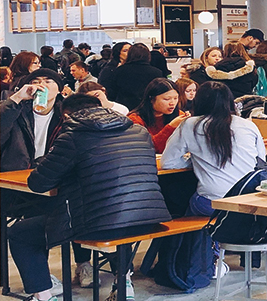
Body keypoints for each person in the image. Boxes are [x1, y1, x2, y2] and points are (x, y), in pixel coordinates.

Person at [10, 94, 169, 301]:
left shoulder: (73, 137)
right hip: (149, 218)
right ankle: (124, 282)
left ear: (67, 116)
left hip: (100, 222)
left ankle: (44, 296)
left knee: (20, 233)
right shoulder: (139, 132)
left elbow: (38, 183)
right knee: (117, 213)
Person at [161, 81, 266, 216]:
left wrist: (196, 160)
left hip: (212, 201)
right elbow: (260, 160)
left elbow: (168, 162)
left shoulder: (190, 125)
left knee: (183, 205)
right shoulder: (248, 125)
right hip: (248, 199)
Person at [0, 69, 64, 172]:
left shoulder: (65, 117)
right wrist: (16, 98)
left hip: (48, 177)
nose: (41, 85)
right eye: (35, 82)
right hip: (12, 176)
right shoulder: (14, 111)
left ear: (59, 90)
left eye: (48, 81)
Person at [128, 78, 190, 153]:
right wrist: (171, 127)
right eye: (167, 99)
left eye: (175, 98)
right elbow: (147, 147)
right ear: (151, 99)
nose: (172, 103)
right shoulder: (135, 119)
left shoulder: (179, 115)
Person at [109, 43, 164, 111]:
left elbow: (112, 91)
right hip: (147, 108)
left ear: (130, 55)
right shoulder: (156, 72)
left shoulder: (119, 71)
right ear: (148, 56)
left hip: (124, 107)